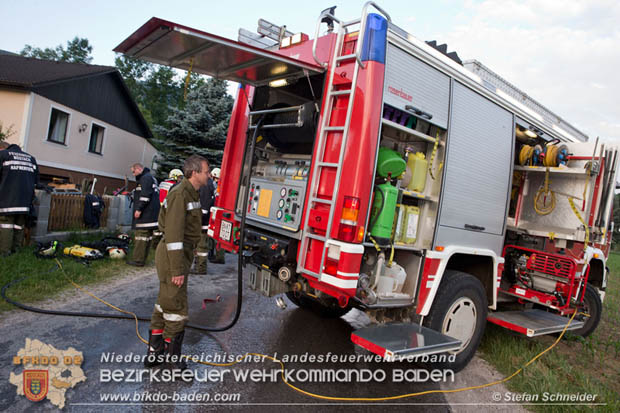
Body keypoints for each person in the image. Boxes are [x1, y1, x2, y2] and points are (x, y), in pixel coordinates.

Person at [145, 155, 209, 371]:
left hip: (179, 254)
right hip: (174, 255)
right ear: (194, 172)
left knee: (164, 303)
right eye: (206, 171)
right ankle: (172, 360)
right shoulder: (180, 194)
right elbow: (173, 236)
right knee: (176, 307)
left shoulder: (191, 193)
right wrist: (177, 269)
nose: (209, 175)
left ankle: (154, 353)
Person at [0, 141, 38, 256]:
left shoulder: (4, 155)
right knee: (19, 226)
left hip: (7, 200)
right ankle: (16, 251)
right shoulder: (31, 159)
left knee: (6, 226)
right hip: (25, 202)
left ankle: (4, 253)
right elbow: (36, 181)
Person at [127, 163, 160, 266]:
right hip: (151, 214)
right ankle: (142, 259)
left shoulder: (145, 178)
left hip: (145, 215)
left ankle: (138, 260)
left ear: (139, 169)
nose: (133, 174)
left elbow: (145, 195)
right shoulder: (151, 178)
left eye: (134, 171)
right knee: (147, 238)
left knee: (141, 237)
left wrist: (139, 209)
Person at [192, 173, 216, 274]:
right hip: (204, 221)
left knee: (201, 246)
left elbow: (204, 207)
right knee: (200, 246)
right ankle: (198, 266)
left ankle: (200, 268)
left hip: (203, 222)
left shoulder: (206, 185)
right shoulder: (209, 184)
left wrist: (197, 221)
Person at [154, 168, 183, 246]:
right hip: (167, 209)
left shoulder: (162, 184)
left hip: (158, 207)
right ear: (175, 177)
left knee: (158, 228)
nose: (181, 179)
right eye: (180, 177)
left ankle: (155, 244)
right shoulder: (173, 186)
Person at [208, 168, 225, 264]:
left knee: (216, 236)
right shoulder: (221, 185)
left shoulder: (217, 186)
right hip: (220, 212)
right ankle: (218, 255)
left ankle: (219, 256)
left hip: (217, 212)